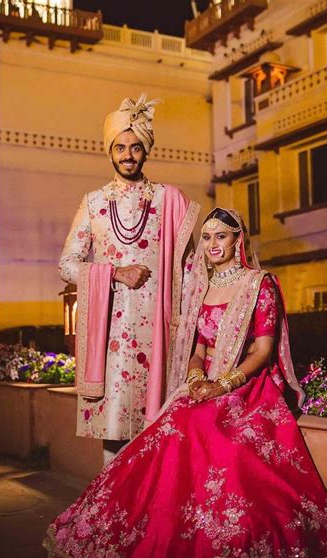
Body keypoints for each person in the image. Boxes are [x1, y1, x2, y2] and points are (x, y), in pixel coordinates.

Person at [45, 208, 327, 558]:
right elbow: (200, 348)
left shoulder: (260, 284)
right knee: (167, 426)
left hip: (247, 387)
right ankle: (163, 539)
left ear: (238, 240)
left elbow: (263, 351)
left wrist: (222, 385)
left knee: (207, 429)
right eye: (206, 238)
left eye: (220, 236)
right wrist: (194, 377)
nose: (212, 245)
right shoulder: (204, 289)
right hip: (207, 382)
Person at [58, 94, 199, 458]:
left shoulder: (170, 200)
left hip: (161, 331)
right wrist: (116, 273)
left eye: (136, 147)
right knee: (116, 430)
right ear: (109, 151)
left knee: (160, 435)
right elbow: (67, 265)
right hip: (112, 338)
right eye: (120, 147)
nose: (128, 155)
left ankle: (151, 510)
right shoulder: (93, 202)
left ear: (146, 151)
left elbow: (192, 270)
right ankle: (110, 511)